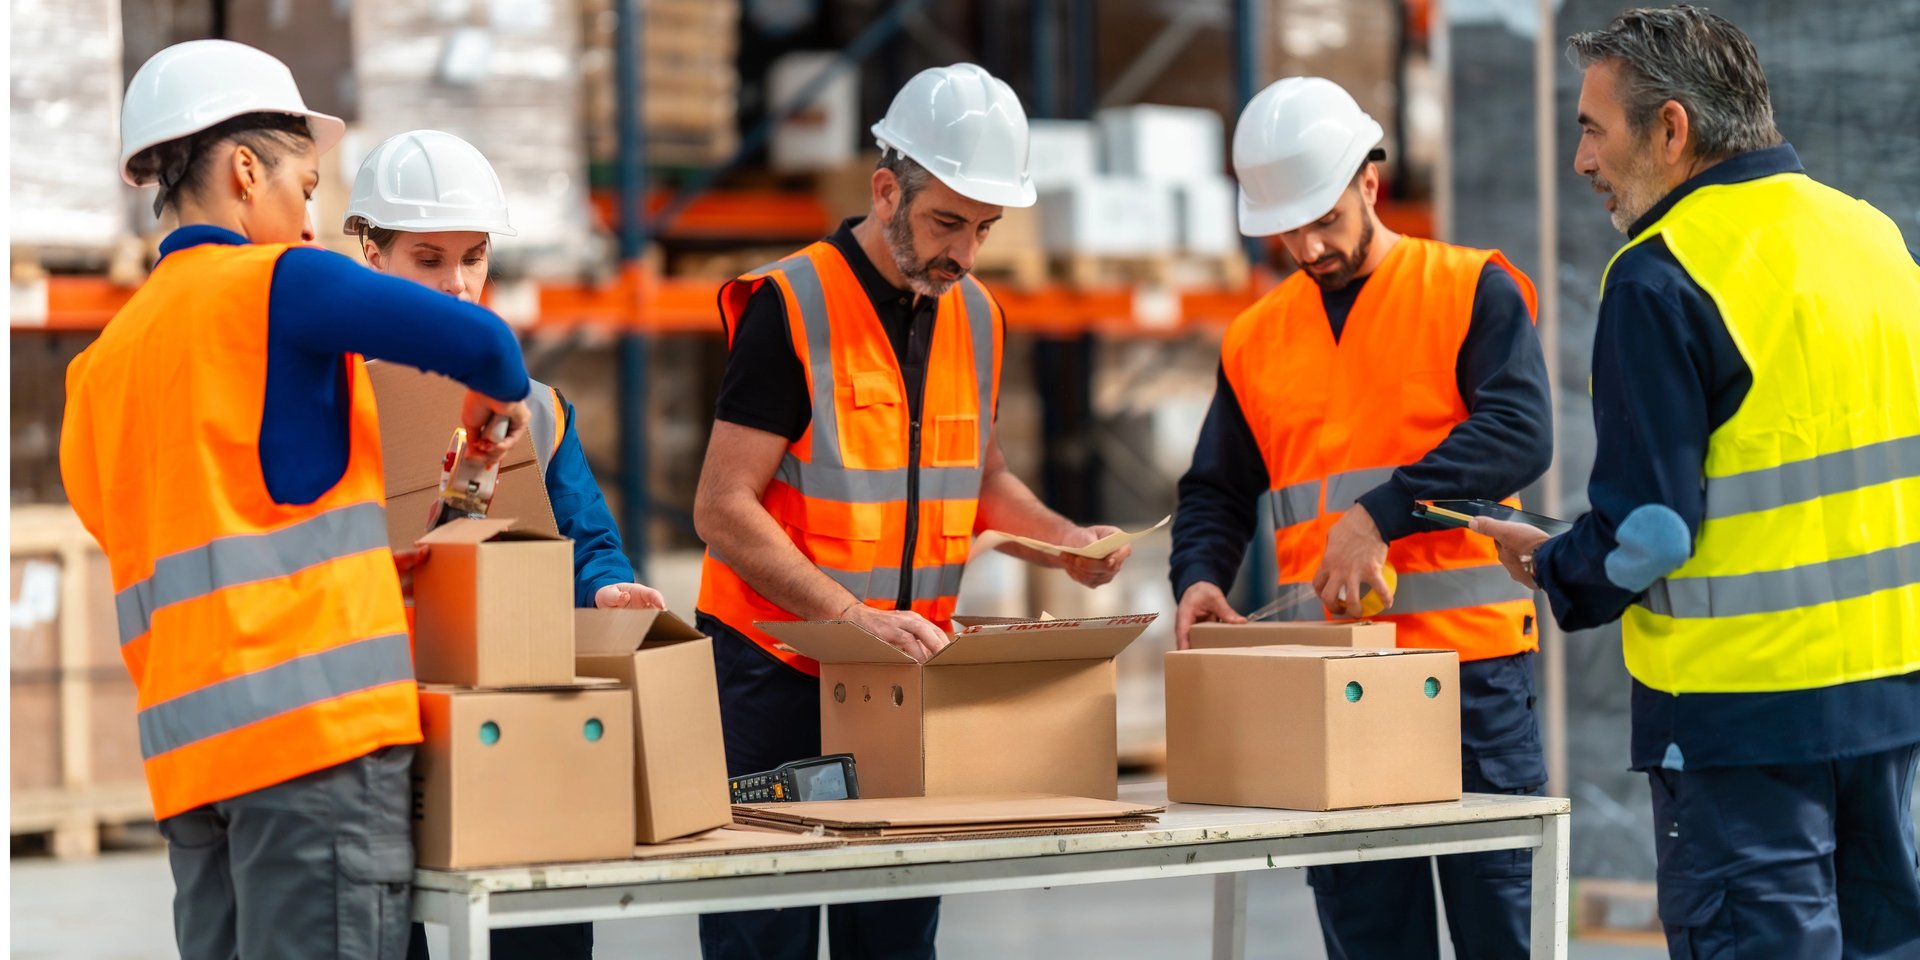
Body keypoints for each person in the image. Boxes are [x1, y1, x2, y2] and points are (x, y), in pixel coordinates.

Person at [60, 40, 533, 960]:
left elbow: (152, 520)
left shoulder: (97, 370)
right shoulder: (281, 281)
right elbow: (487, 347)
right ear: (244, 171)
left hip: (192, 769)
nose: (312, 222)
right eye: (307, 189)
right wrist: (487, 406)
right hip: (315, 748)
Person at [1472, 7, 1920, 958]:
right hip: (1888, 694)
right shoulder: (1874, 238)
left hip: (1738, 715)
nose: (1582, 160)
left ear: (1671, 130)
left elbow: (1654, 534)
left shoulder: (1661, 275)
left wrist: (1558, 565)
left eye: (1594, 127)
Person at [691, 62, 1132, 959]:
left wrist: (1064, 542)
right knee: (761, 929)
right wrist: (850, 617)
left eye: (983, 230)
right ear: (886, 189)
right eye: (945, 224)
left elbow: (982, 476)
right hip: (776, 668)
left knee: (893, 928)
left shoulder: (976, 314)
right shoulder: (792, 304)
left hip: (905, 676)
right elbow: (722, 508)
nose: (964, 254)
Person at [1168, 76, 1554, 959]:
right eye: (1286, 230)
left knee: (1499, 927)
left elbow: (1520, 431)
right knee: (1371, 932)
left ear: (1369, 184)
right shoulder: (1256, 337)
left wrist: (1378, 515)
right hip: (1335, 681)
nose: (1308, 246)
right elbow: (1217, 489)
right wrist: (1197, 579)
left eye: (1324, 219)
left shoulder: (1469, 289)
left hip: (1469, 677)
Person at [346, 129, 662, 960]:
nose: (457, 284)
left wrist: (606, 591)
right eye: (428, 258)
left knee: (543, 932)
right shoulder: (335, 401)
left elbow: (586, 537)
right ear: (370, 254)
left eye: (474, 257)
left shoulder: (538, 408)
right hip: (376, 723)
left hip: (509, 716)